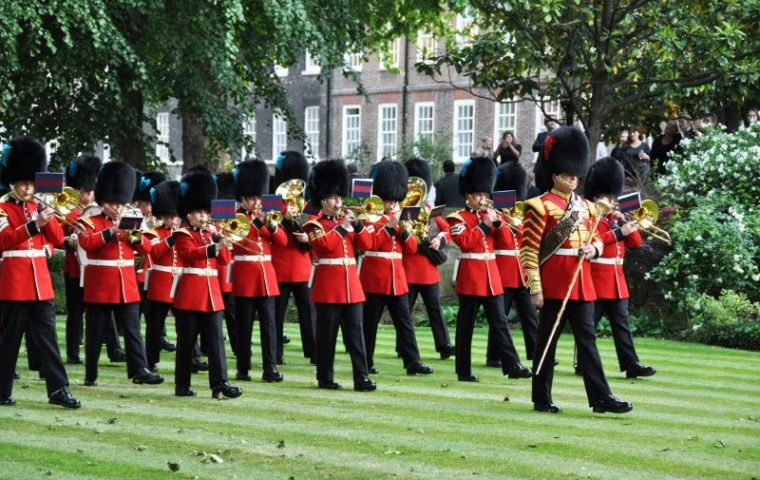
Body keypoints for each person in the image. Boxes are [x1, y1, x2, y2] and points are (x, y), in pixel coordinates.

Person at [521, 126, 632, 414]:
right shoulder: (538, 206)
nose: (572, 177)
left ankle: (600, 397)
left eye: (575, 174)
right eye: (567, 173)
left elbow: (596, 236)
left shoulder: (586, 207)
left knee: (588, 343)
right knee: (547, 343)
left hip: (581, 283)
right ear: (554, 172)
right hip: (555, 284)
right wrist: (535, 289)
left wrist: (593, 249)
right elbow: (529, 251)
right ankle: (541, 397)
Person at [0, 136, 80, 408]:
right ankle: (2, 390)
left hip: (40, 283)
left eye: (30, 182)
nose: (27, 187)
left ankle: (58, 389)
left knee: (48, 341)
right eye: (23, 183)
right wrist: (35, 224)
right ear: (12, 182)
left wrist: (48, 217)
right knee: (8, 341)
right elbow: (5, 240)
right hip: (13, 282)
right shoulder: (2, 207)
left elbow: (58, 240)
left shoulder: (38, 205)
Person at [76, 161, 163, 387]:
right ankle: (90, 374)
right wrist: (111, 232)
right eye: (112, 203)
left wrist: (130, 236)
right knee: (95, 333)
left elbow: (147, 248)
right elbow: (87, 243)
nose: (117, 207)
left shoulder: (133, 219)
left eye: (120, 203)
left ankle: (140, 369)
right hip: (101, 284)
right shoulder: (89, 220)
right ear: (103, 202)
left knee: (133, 331)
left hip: (126, 282)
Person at [447, 156, 532, 383]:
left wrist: (496, 223)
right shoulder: (457, 217)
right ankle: (463, 370)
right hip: (471, 276)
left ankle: (512, 365)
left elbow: (506, 241)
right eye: (479, 195)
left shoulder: (494, 215)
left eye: (485, 195)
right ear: (469, 196)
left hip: (491, 276)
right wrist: (484, 225)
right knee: (466, 327)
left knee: (500, 323)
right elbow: (465, 242)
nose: (484, 199)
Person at [302, 159, 375, 391]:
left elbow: (367, 244)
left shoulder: (348, 222)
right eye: (334, 198)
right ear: (322, 200)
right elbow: (324, 247)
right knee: (327, 337)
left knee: (356, 336)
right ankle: (325, 377)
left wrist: (360, 226)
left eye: (340, 197)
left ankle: (361, 377)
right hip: (328, 287)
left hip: (351, 286)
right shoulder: (314, 224)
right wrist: (343, 226)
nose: (338, 201)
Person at [583, 156, 656, 379]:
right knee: (587, 328)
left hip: (616, 280)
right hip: (597, 279)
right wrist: (616, 232)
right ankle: (582, 362)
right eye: (607, 197)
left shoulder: (617, 218)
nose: (611, 201)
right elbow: (593, 241)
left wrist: (625, 222)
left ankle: (631, 364)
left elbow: (635, 243)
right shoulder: (589, 217)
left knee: (621, 326)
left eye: (613, 197)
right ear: (595, 197)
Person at [172, 169, 242, 399]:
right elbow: (189, 255)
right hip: (191, 294)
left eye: (205, 212)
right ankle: (182, 384)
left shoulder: (209, 234)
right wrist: (215, 246)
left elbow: (224, 261)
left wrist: (221, 240)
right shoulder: (183, 234)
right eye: (199, 212)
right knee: (186, 343)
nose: (204, 216)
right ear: (189, 214)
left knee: (216, 342)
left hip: (212, 294)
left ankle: (219, 382)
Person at [360, 161, 433, 376]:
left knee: (405, 323)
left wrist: (402, 231)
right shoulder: (370, 217)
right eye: (388, 200)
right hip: (375, 277)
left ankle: (412, 361)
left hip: (397, 278)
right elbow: (369, 244)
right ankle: (366, 361)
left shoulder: (403, 217)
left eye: (393, 200)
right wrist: (388, 228)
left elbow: (411, 248)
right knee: (369, 324)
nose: (391, 204)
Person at [232, 160, 286, 383]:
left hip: (266, 277)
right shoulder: (233, 217)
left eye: (258, 197)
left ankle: (270, 367)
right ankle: (243, 367)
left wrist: (269, 225)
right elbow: (234, 242)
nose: (256, 202)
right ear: (243, 197)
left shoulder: (268, 216)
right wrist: (255, 222)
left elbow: (282, 242)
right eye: (252, 198)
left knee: (269, 326)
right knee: (243, 327)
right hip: (245, 276)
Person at [485, 162, 538, 367]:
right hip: (503, 270)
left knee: (529, 315)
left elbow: (527, 238)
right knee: (500, 317)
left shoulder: (521, 212)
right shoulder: (495, 213)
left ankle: (536, 353)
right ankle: (494, 355)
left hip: (520, 270)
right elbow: (503, 240)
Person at [402, 158, 454, 359]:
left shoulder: (429, 211)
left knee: (435, 311)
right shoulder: (405, 212)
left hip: (428, 269)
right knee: (404, 314)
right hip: (409, 267)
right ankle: (403, 347)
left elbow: (448, 230)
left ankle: (444, 345)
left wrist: (440, 238)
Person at [271, 151, 315, 364]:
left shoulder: (306, 204)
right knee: (278, 315)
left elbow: (315, 228)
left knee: (308, 314)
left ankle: (313, 351)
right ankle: (276, 352)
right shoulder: (272, 201)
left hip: (300, 265)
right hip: (281, 266)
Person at [62, 154, 101, 364]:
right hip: (74, 269)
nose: (89, 195)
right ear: (78, 190)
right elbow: (59, 237)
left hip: (93, 269)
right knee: (75, 313)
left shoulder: (96, 213)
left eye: (91, 191)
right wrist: (69, 240)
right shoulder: (68, 211)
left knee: (95, 312)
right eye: (86, 191)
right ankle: (72, 353)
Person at [133, 171, 176, 354]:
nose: (145, 207)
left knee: (155, 314)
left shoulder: (158, 221)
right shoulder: (137, 219)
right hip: (140, 270)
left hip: (155, 273)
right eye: (143, 203)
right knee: (143, 314)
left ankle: (162, 339)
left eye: (148, 203)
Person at [143, 180, 182, 372]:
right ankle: (151, 360)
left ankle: (193, 357)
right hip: (161, 283)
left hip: (180, 283)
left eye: (175, 217)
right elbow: (154, 252)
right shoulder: (154, 232)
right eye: (169, 217)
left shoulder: (185, 234)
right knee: (155, 327)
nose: (173, 220)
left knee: (185, 325)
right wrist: (171, 239)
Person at [214, 172, 238, 356]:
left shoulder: (234, 223)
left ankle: (238, 347)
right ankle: (208, 346)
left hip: (228, 273)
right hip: (214, 273)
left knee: (231, 313)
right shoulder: (210, 227)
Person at [531, 117, 560, 193]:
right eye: (549, 120)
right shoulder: (541, 135)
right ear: (545, 124)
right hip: (540, 168)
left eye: (554, 120)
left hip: (553, 168)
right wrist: (547, 143)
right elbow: (534, 147)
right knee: (540, 192)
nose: (552, 122)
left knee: (553, 192)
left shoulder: (559, 135)